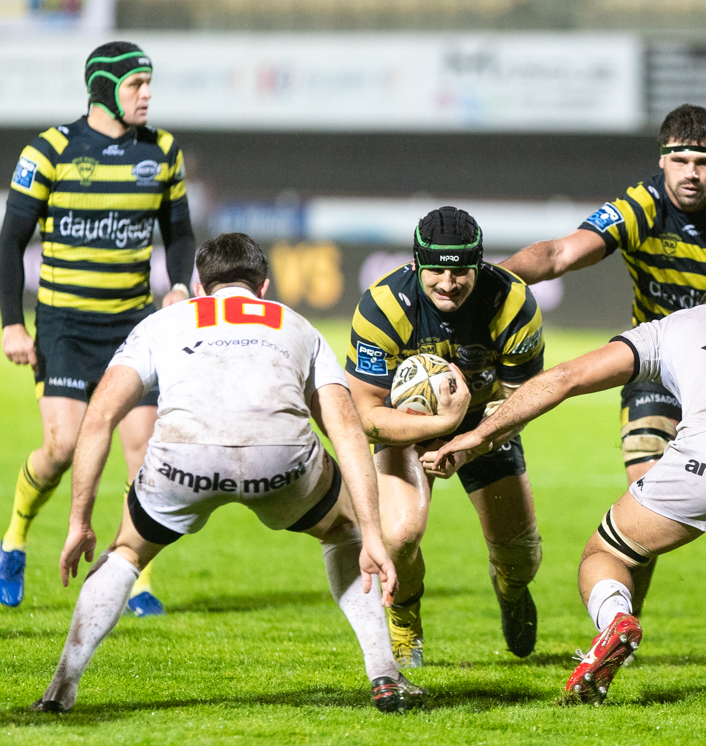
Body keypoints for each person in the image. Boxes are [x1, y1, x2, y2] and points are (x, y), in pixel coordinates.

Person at [34, 234, 424, 714]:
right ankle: (385, 675)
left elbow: (99, 417)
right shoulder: (297, 324)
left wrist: (80, 521)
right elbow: (345, 430)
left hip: (184, 458)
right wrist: (371, 535)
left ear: (199, 287)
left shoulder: (162, 322)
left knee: (127, 551)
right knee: (342, 531)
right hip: (281, 461)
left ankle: (60, 691)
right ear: (263, 287)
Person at [432, 278, 706, 703]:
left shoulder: (677, 323)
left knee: (606, 553)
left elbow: (567, 378)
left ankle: (616, 620)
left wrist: (480, 435)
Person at [501, 104, 706, 644]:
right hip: (656, 371)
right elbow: (558, 255)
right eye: (681, 160)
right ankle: (622, 631)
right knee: (644, 499)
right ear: (662, 159)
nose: (692, 173)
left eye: (704, 162)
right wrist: (489, 278)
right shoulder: (641, 206)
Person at [0, 41, 196, 615]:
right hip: (63, 326)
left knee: (144, 451)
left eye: (148, 83)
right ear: (105, 89)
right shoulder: (50, 150)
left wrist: (178, 283)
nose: (147, 94)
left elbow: (180, 233)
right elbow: (10, 241)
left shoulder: (162, 151)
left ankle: (136, 576)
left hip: (132, 325)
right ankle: (14, 539)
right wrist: (12, 324)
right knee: (61, 448)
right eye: (136, 84)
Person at [344, 207, 545, 668]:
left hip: (487, 423)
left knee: (522, 558)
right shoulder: (383, 307)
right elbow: (367, 417)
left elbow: (524, 401)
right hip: (406, 427)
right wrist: (439, 429)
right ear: (416, 262)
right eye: (436, 269)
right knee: (399, 537)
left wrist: (473, 442)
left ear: (479, 264)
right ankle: (404, 620)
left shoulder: (513, 302)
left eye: (460, 271)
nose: (448, 283)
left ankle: (511, 590)